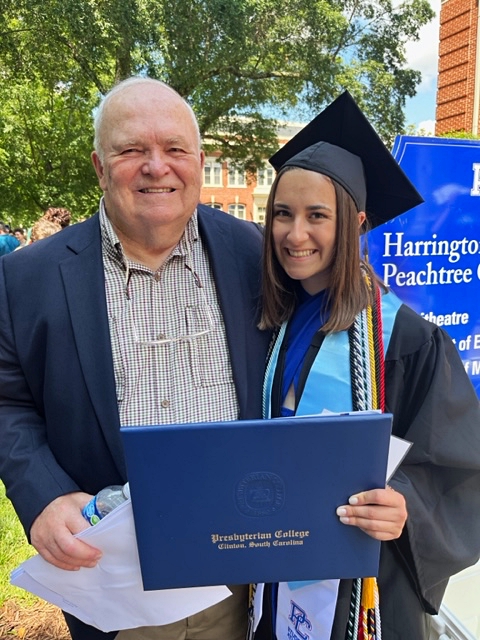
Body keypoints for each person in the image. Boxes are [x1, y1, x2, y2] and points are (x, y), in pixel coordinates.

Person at [0, 76, 270, 640]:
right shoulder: (26, 278)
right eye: (131, 151)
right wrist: (43, 494)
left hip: (243, 576)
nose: (156, 167)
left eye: (175, 149)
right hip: (113, 586)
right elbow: (8, 401)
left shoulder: (257, 254)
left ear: (198, 161)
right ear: (99, 167)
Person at [253, 91, 480, 640]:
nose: (295, 234)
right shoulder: (274, 320)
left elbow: (459, 469)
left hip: (367, 587)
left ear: (355, 221)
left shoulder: (407, 338)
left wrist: (406, 506)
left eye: (317, 216)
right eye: (283, 214)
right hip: (276, 561)